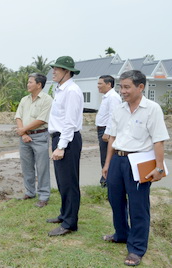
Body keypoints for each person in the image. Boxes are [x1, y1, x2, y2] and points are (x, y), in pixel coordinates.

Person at [102, 70, 169, 266]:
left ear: (141, 87)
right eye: (121, 87)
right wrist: (107, 163)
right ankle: (121, 234)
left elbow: (158, 140)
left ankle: (137, 248)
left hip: (139, 162)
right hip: (117, 159)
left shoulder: (152, 109)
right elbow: (112, 137)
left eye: (126, 87)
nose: (122, 91)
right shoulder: (119, 109)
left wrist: (159, 168)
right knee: (115, 200)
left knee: (138, 206)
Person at [46, 56, 84, 237]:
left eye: (57, 69)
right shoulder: (61, 90)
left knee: (69, 182)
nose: (54, 71)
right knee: (62, 181)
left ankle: (70, 223)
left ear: (67, 72)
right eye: (54, 68)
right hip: (59, 138)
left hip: (67, 139)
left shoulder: (72, 91)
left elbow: (69, 122)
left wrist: (61, 146)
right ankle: (64, 214)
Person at [15, 73, 53, 208]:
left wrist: (23, 130)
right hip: (24, 137)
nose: (28, 84)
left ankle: (43, 196)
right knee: (27, 166)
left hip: (40, 136)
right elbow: (18, 116)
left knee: (42, 167)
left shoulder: (47, 100)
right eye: (28, 82)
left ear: (39, 84)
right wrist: (23, 133)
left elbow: (41, 120)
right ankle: (30, 192)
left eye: (30, 82)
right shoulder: (24, 99)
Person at [95, 75, 122, 187]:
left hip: (107, 131)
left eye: (100, 84)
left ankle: (108, 182)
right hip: (102, 129)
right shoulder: (107, 96)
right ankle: (106, 180)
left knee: (107, 157)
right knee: (104, 157)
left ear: (109, 84)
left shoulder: (113, 97)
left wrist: (108, 132)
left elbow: (113, 116)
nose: (98, 86)